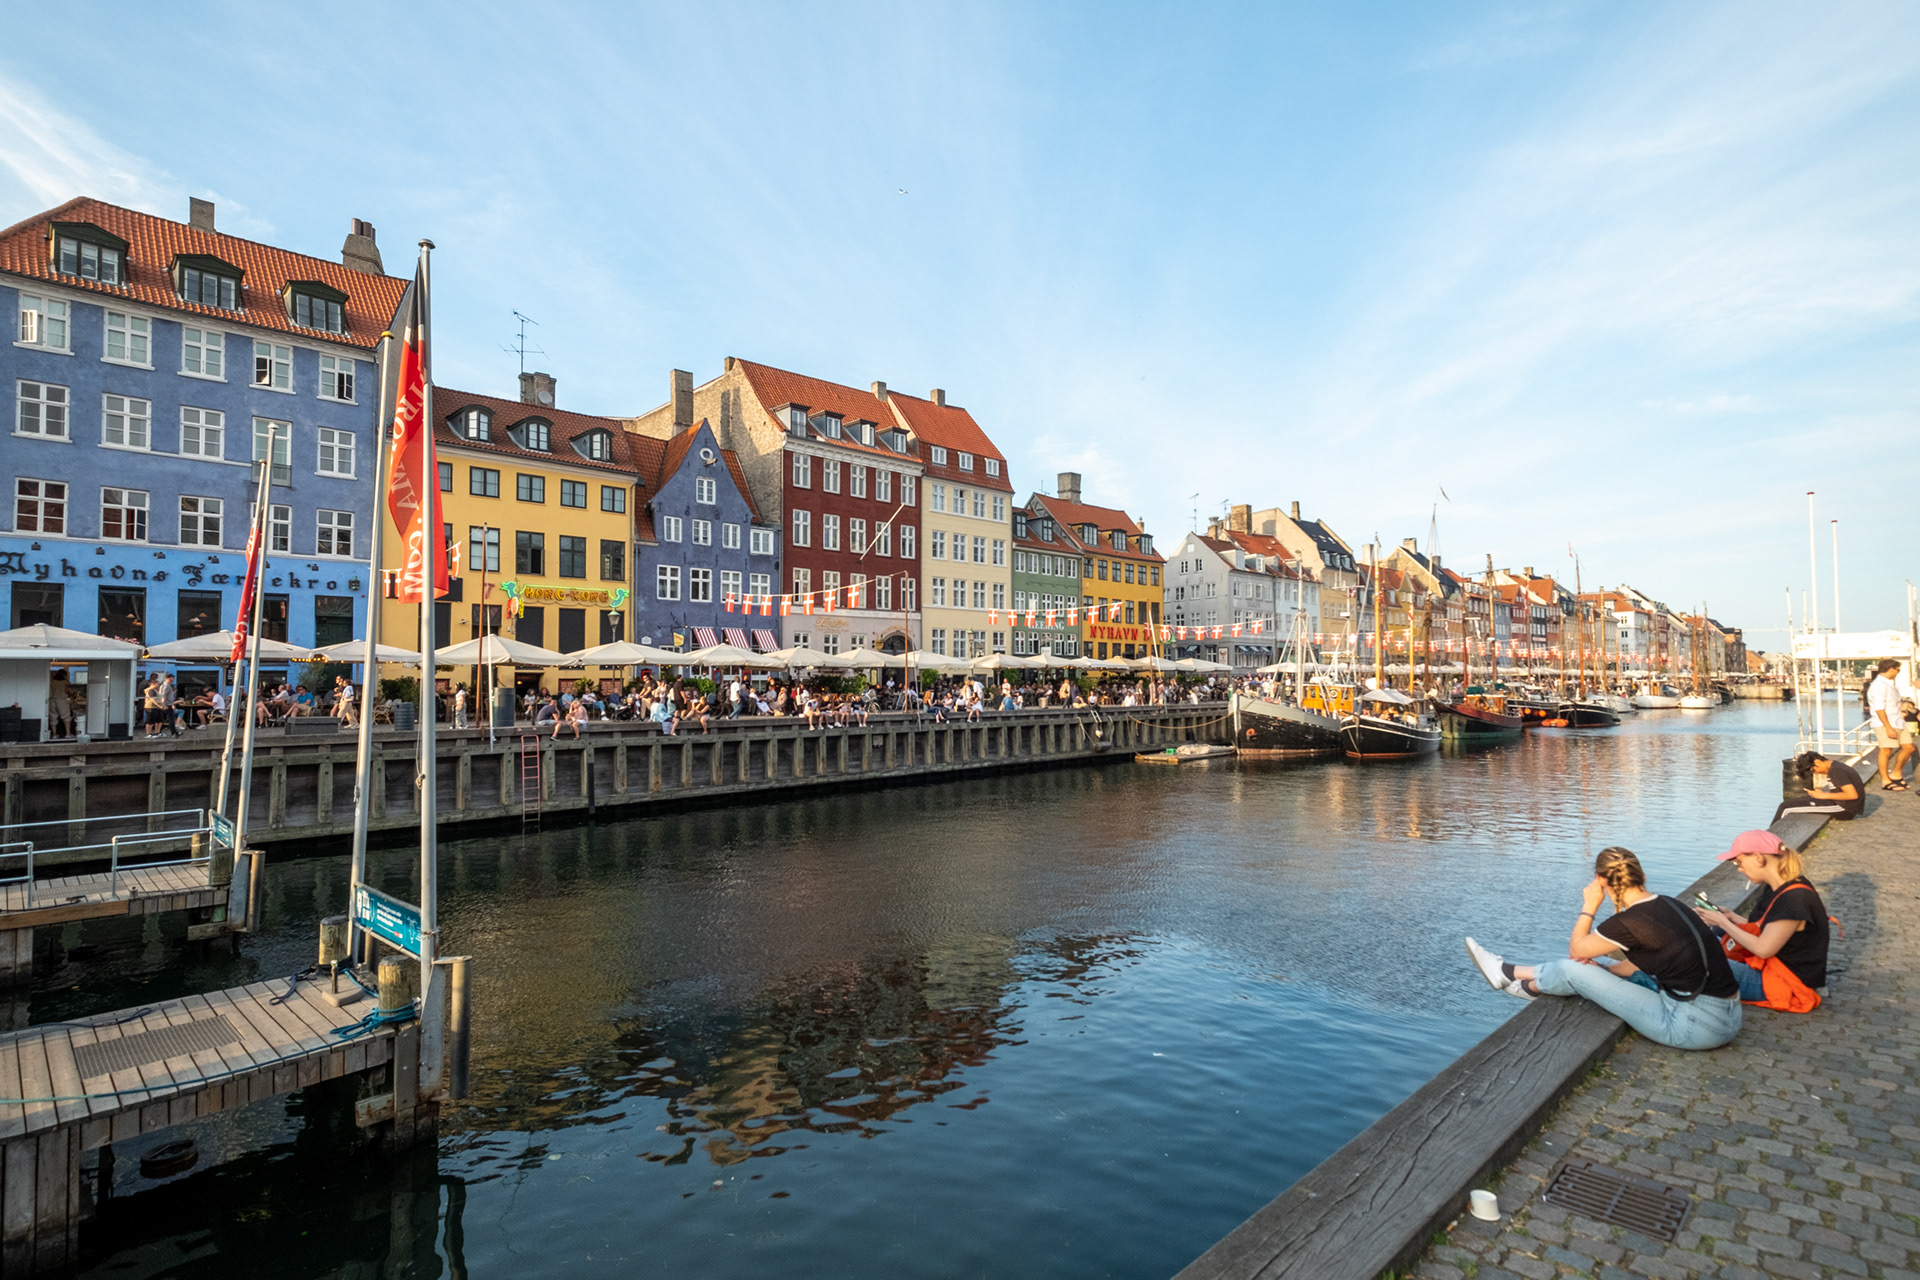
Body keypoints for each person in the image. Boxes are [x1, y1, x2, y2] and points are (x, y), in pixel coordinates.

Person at [1463, 846, 1742, 1051]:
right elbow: (1646, 962)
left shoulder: (1629, 922)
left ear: (1601, 881)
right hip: (1727, 1017)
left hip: (1692, 1026)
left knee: (1574, 967)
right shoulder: (1670, 904)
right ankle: (1513, 976)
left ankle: (1519, 982)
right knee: (1602, 966)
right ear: (1642, 874)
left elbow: (1577, 951)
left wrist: (1590, 905)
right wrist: (1606, 970)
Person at [1695, 830, 1830, 1012]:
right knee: (1701, 936)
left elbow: (1764, 949)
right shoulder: (1784, 886)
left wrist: (1722, 922)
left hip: (1782, 982)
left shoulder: (1794, 899)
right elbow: (1768, 928)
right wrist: (1731, 917)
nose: (1739, 868)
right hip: (1775, 967)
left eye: (1739, 862)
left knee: (1692, 959)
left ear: (1758, 858)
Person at [1773, 752, 1865, 824]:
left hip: (1844, 809)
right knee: (1796, 801)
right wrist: (1820, 794)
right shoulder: (1835, 767)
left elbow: (1852, 795)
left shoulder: (1837, 770)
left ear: (1817, 762)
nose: (1816, 773)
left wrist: (1823, 795)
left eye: (1814, 770)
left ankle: (1769, 839)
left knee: (1785, 807)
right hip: (1839, 804)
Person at [1866, 659, 1909, 792]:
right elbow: (1879, 708)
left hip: (1898, 721)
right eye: (1898, 669)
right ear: (1891, 669)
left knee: (1909, 747)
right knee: (1886, 750)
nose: (1898, 672)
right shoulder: (1879, 685)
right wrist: (1888, 727)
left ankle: (1896, 773)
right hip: (1886, 723)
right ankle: (1885, 781)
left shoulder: (1888, 684)